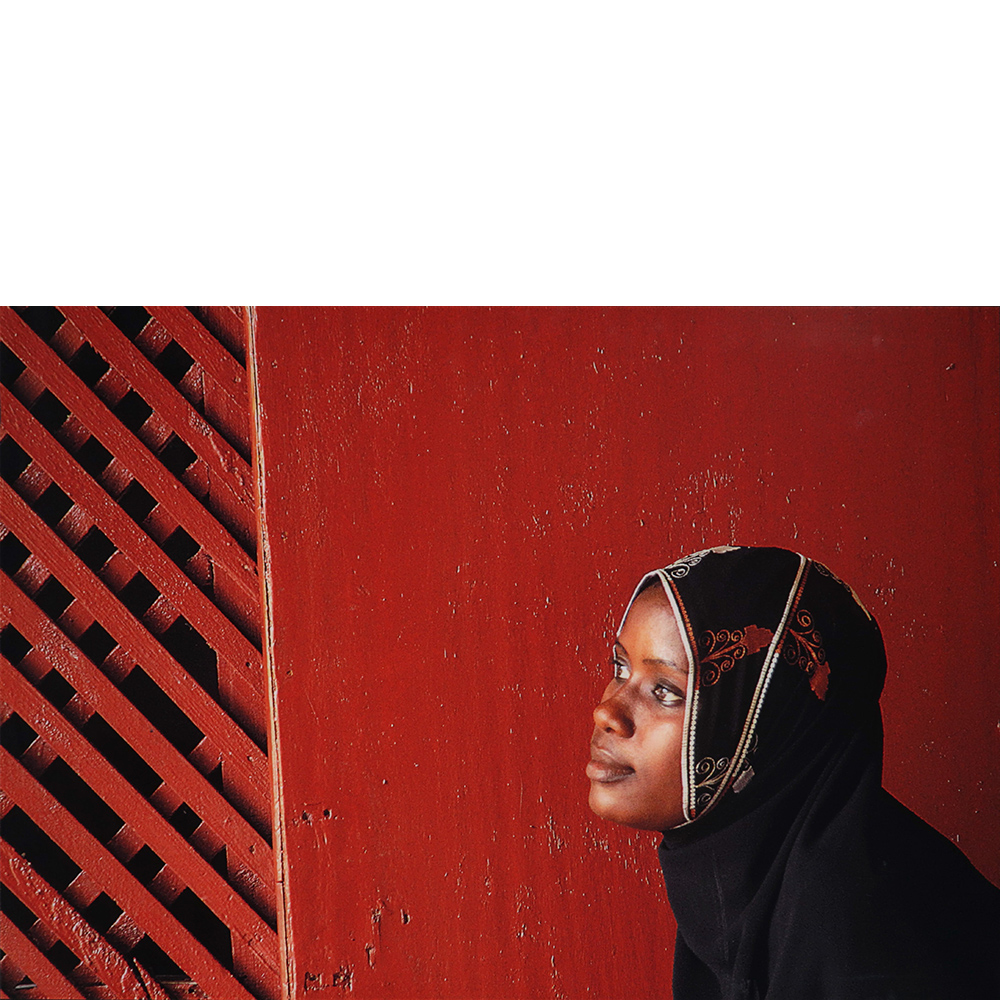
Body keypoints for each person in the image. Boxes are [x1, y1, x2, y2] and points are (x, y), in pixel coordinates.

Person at [587, 545, 1000, 1000]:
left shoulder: (860, 942)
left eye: (666, 691)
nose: (607, 712)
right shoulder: (744, 882)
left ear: (774, 726)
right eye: (620, 667)